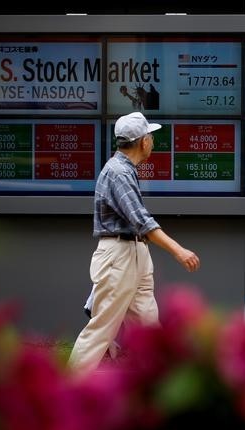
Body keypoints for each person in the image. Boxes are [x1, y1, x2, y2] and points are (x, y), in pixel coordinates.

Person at [68, 111, 200, 373]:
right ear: (142, 141)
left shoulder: (124, 170)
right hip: (120, 254)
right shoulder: (118, 173)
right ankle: (67, 387)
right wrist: (178, 250)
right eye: (150, 135)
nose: (153, 140)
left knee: (147, 325)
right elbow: (141, 220)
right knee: (102, 328)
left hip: (133, 251)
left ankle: (161, 383)